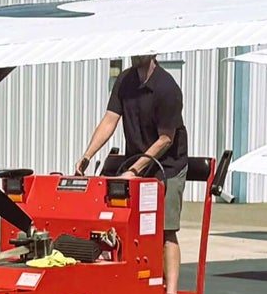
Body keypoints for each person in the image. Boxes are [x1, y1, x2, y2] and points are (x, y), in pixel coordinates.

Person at [79, 53, 189, 242]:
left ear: (154, 53)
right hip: (137, 162)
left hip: (168, 166)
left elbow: (165, 139)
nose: (136, 54)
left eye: (142, 50)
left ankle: (170, 274)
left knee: (165, 231)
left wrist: (133, 170)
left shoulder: (167, 88)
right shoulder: (125, 80)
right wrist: (87, 156)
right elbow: (109, 120)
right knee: (128, 224)